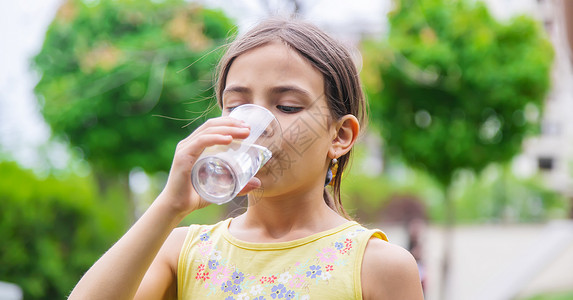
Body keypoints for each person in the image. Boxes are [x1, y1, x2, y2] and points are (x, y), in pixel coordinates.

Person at [68, 17, 424, 300]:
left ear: (340, 135)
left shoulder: (376, 265)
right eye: (237, 106)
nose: (257, 125)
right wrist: (168, 206)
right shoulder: (184, 252)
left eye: (286, 106)